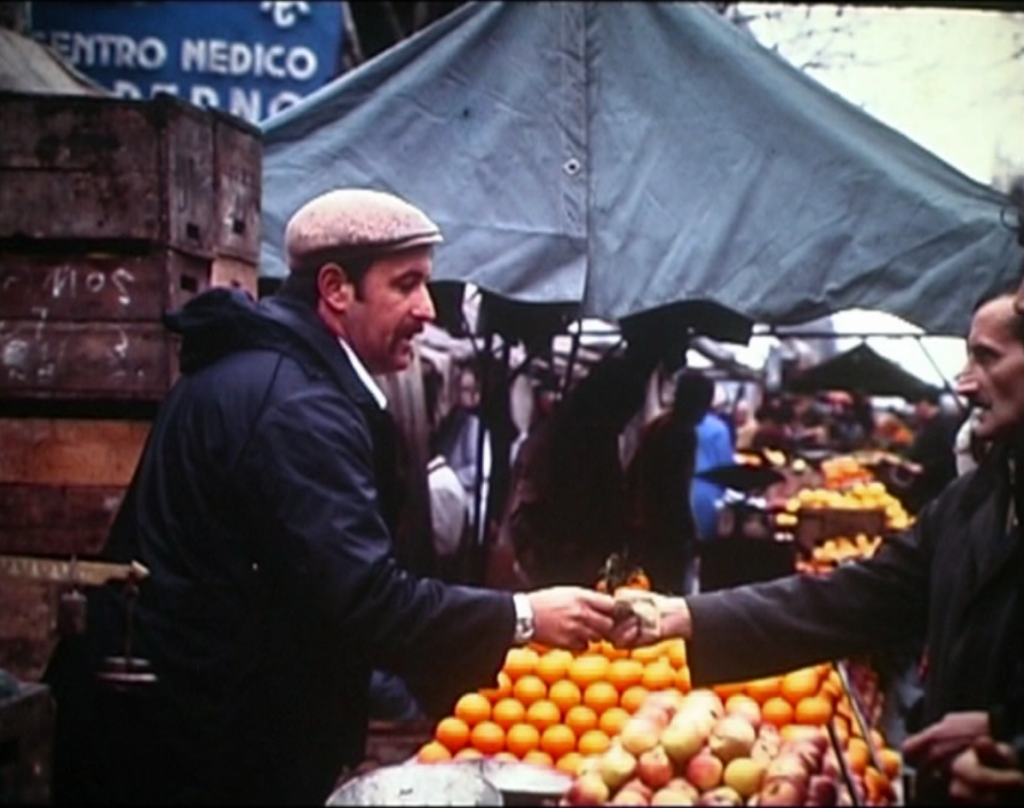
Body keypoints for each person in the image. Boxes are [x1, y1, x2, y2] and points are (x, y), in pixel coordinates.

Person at [43, 188, 618, 806]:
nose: (428, 310)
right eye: (407, 284)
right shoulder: (297, 407)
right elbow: (368, 599)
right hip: (198, 754)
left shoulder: (270, 373)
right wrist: (526, 616)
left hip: (185, 731)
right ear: (337, 289)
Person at [610, 290, 1024, 805]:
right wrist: (686, 616)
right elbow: (855, 596)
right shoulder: (972, 499)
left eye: (986, 357)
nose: (964, 383)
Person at [622, 371, 711, 594]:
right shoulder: (682, 434)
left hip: (642, 527)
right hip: (664, 532)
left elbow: (632, 473)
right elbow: (675, 492)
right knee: (667, 593)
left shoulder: (657, 424)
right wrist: (691, 532)